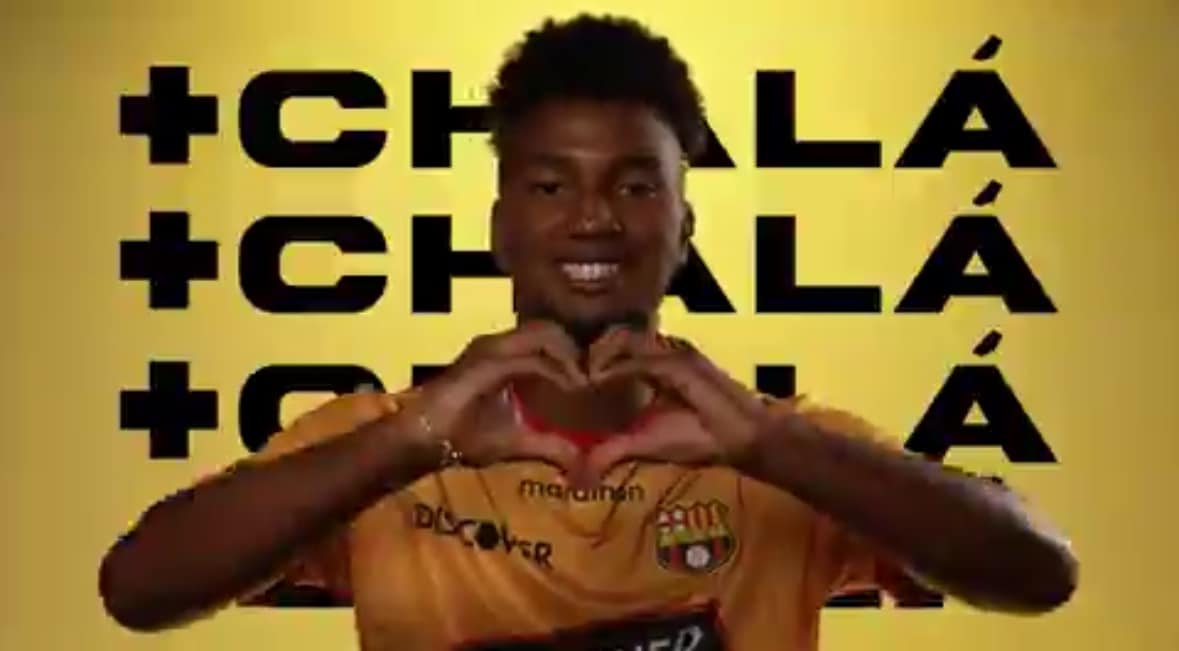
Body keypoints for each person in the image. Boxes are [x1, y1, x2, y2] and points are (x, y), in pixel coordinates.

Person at [98, 14, 1077, 651]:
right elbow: (137, 589)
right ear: (499, 228)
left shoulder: (780, 446)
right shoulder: (384, 439)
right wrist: (408, 444)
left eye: (635, 185)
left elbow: (1039, 572)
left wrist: (770, 446)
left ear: (683, 230)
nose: (593, 217)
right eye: (550, 184)